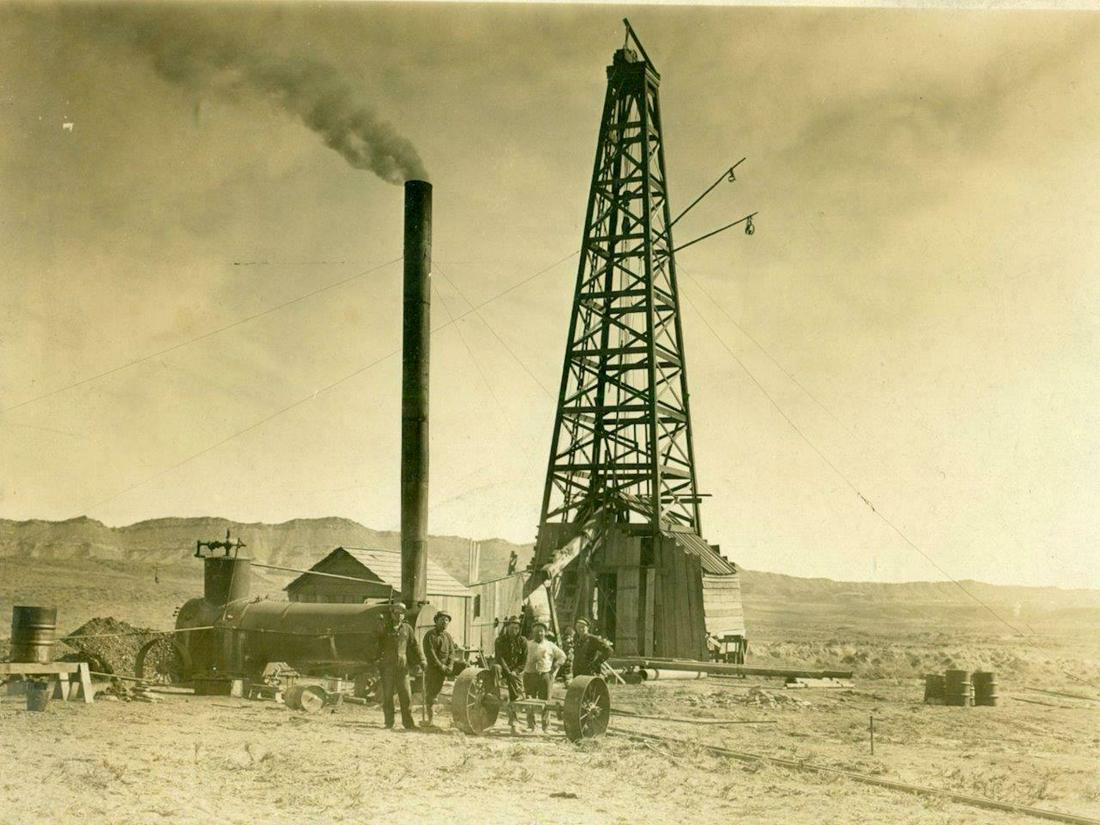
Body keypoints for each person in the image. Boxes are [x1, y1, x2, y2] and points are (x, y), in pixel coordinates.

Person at [373, 601, 426, 730]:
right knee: (388, 695)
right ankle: (389, 722)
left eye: (402, 613)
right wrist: (376, 660)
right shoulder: (385, 628)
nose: (399, 616)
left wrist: (422, 660)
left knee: (406, 695)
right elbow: (378, 645)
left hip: (402, 667)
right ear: (392, 614)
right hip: (387, 667)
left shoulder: (407, 629)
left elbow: (414, 646)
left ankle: (408, 723)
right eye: (396, 613)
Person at [523, 622, 566, 731]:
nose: (539, 633)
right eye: (536, 631)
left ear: (545, 633)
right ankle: (531, 725)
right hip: (529, 675)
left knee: (545, 701)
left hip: (545, 676)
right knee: (529, 700)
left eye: (541, 631)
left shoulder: (550, 645)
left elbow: (562, 656)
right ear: (533, 632)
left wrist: (555, 666)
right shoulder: (527, 644)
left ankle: (545, 726)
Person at [493, 615, 528, 730]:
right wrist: (508, 671)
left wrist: (515, 671)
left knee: (516, 694)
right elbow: (500, 657)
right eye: (512, 628)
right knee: (495, 668)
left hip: (515, 670)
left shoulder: (522, 641)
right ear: (507, 627)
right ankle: (494, 691)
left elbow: (523, 661)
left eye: (517, 628)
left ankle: (513, 720)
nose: (514, 630)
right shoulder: (499, 640)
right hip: (503, 668)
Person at [422, 610, 455, 725]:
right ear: (436, 621)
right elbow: (430, 653)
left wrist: (450, 665)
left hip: (444, 669)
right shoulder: (430, 635)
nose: (445, 622)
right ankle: (430, 720)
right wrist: (440, 666)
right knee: (431, 694)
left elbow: (452, 652)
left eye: (447, 620)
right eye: (442, 620)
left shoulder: (448, 637)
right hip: (433, 669)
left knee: (438, 691)